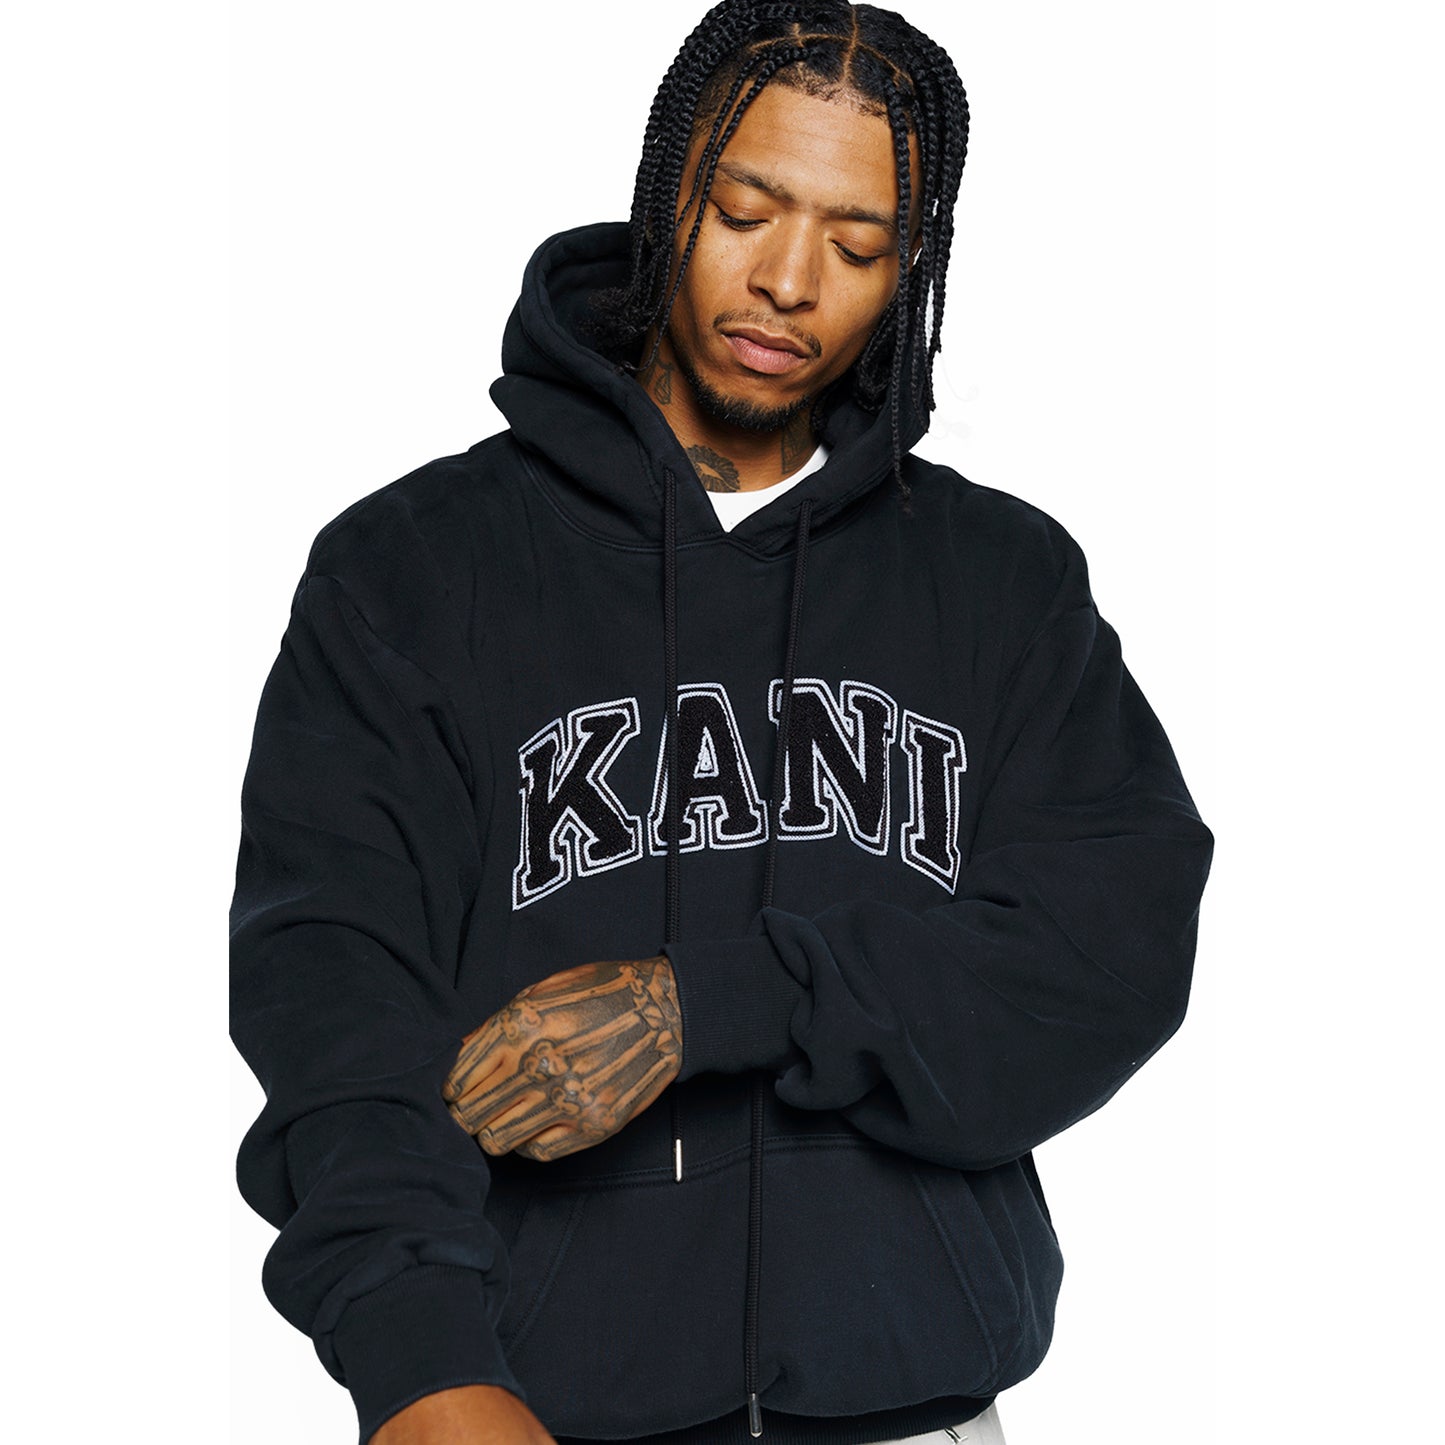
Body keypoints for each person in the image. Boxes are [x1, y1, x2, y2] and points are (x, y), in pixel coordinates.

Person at [230, 3, 1213, 1443]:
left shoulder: (998, 581)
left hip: (918, 1411)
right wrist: (421, 1362)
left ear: (913, 270)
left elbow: (1106, 951)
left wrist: (713, 1003)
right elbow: (335, 1000)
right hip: (531, 1412)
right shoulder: (418, 570)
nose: (789, 282)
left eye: (859, 246)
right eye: (745, 212)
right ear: (666, 192)